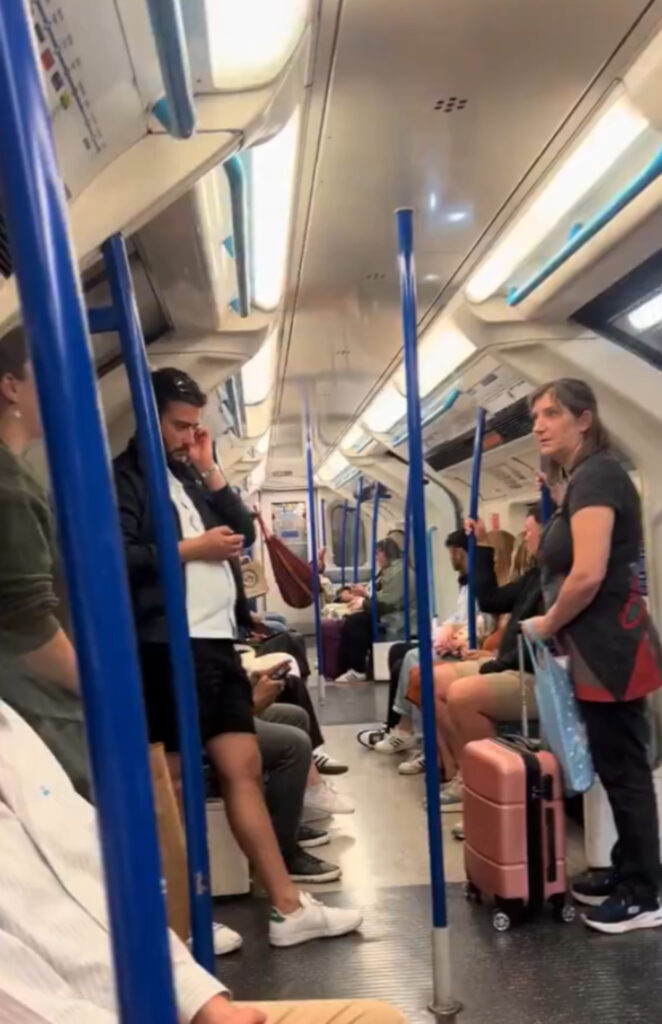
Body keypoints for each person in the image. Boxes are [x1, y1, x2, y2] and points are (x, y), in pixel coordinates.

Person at [114, 368, 361, 946]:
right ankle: (177, 926)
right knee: (172, 786)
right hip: (163, 645)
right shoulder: (124, 479)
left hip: (216, 643)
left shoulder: (187, 477)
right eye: (180, 426)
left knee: (244, 768)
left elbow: (242, 532)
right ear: (148, 417)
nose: (187, 436)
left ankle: (288, 908)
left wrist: (208, 466)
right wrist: (191, 548)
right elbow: (114, 556)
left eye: (196, 426)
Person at [0, 698, 407, 1024]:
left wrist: (204, 1004)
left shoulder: (10, 727)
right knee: (269, 750)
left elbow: (89, 873)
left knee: (375, 1018)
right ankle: (284, 892)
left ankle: (281, 885)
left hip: (135, 998)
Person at [524, 378, 662, 934]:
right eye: (535, 415)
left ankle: (645, 894)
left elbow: (587, 574)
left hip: (613, 648)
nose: (539, 424)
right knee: (614, 764)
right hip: (599, 647)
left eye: (552, 413)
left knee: (626, 771)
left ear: (584, 419)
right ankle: (632, 868)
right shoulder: (583, 479)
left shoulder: (600, 475)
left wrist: (546, 624)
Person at [0, 327, 88, 797]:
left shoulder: (19, 474)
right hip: (36, 705)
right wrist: (101, 688)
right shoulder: (9, 487)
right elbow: (29, 627)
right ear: (11, 387)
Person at [430, 506, 544, 811]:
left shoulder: (558, 580)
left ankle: (491, 787)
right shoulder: (536, 575)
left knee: (461, 695)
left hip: (536, 673)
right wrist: (480, 546)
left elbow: (541, 641)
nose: (526, 537)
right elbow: (491, 599)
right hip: (510, 663)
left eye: (530, 531)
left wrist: (499, 660)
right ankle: (461, 773)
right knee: (433, 681)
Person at [334, 538, 413, 683]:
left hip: (398, 616)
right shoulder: (389, 570)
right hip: (389, 610)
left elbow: (388, 600)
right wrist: (364, 596)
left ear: (386, 554)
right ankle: (344, 667)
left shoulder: (399, 571)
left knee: (355, 623)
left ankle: (357, 669)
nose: (376, 558)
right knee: (351, 620)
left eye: (378, 554)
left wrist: (364, 600)